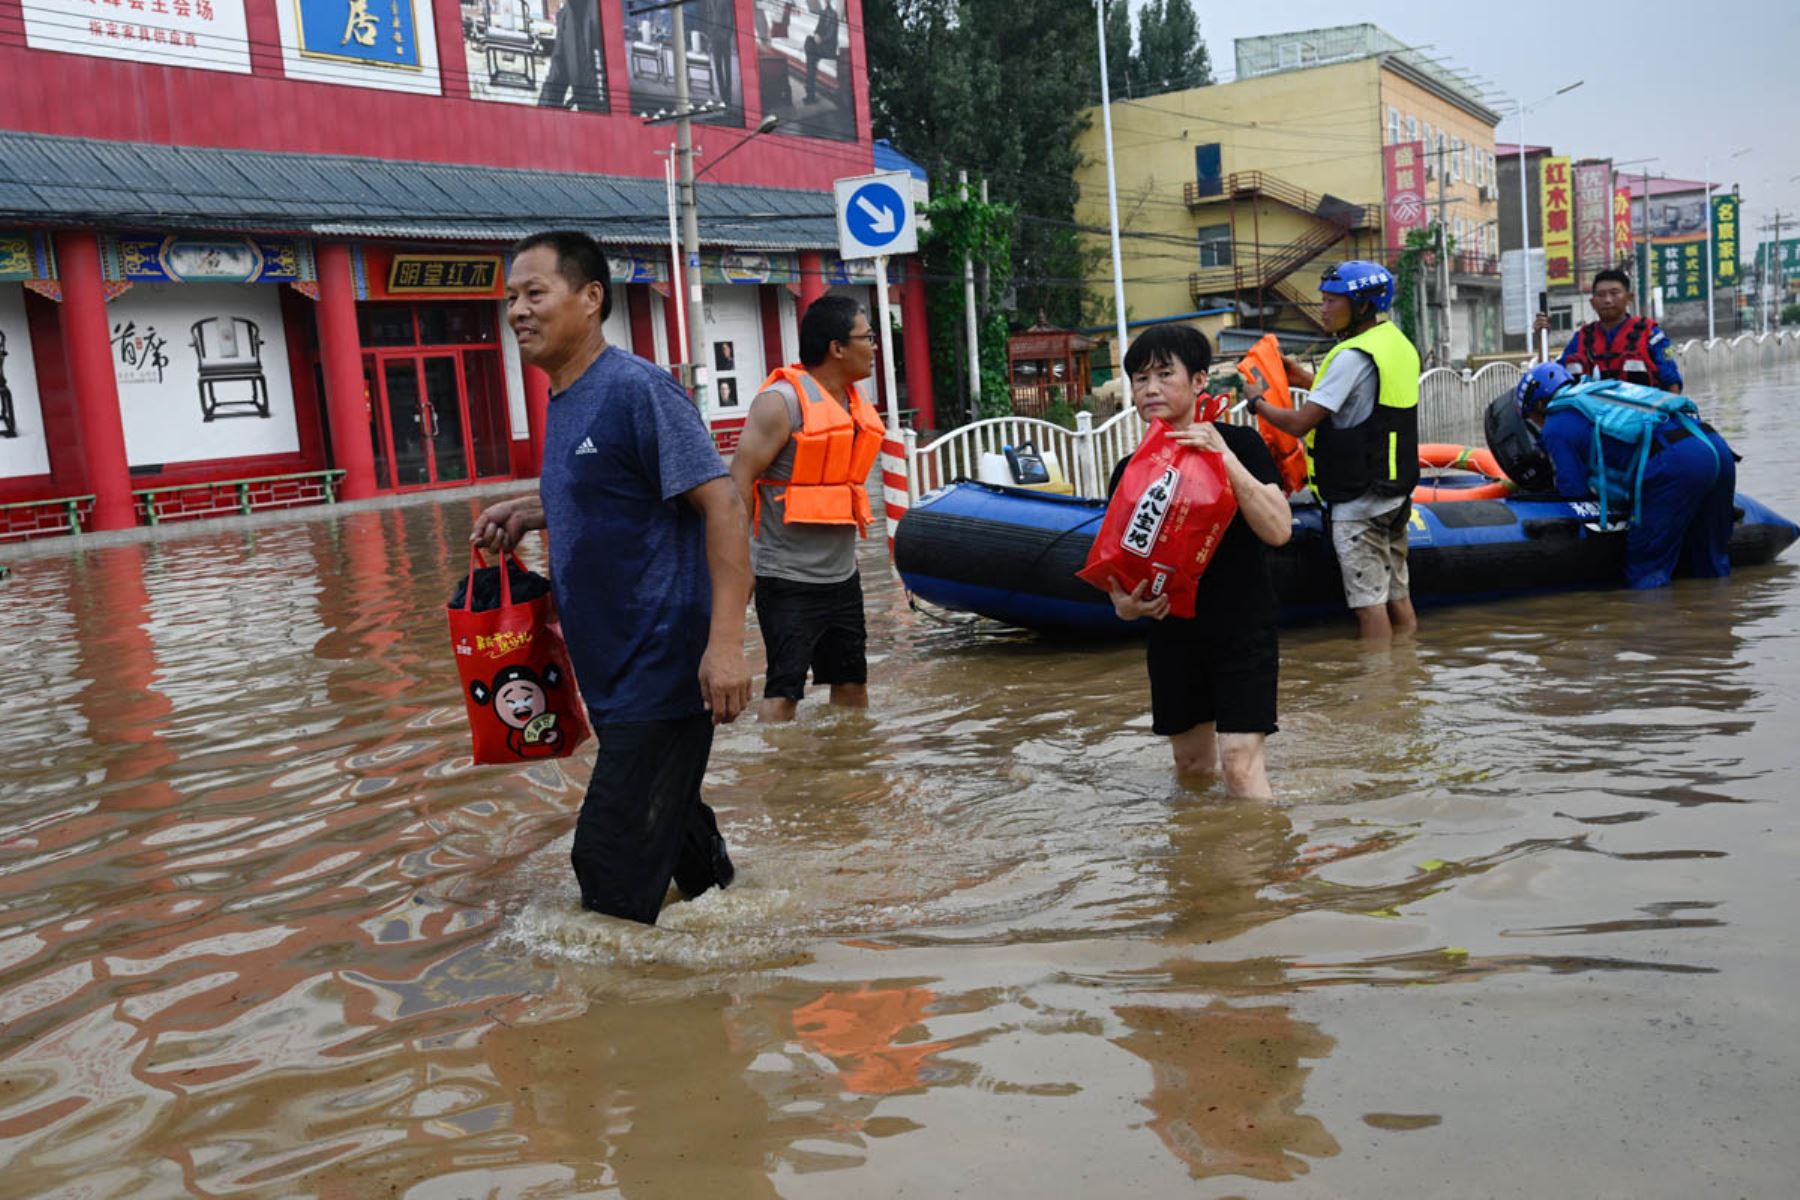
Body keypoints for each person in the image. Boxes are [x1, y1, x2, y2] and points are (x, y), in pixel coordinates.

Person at [470, 231, 752, 925]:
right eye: (511, 298)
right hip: (612, 670)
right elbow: (616, 492)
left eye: (535, 293)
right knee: (677, 840)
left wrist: (726, 646)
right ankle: (745, 941)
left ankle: (631, 1020)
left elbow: (723, 503)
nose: (517, 312)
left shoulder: (637, 389)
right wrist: (531, 512)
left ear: (591, 298)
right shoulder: (565, 399)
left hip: (663, 667)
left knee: (606, 869)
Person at [1105, 324, 1292, 797]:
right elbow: (1118, 586)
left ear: (1199, 381)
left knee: (1239, 766)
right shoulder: (1129, 472)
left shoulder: (1243, 446)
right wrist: (1129, 607)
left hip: (1242, 629)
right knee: (1191, 766)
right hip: (1172, 636)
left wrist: (1222, 456)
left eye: (1165, 375)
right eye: (1140, 378)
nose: (1150, 389)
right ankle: (1198, 865)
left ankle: (1262, 866)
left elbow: (1279, 529)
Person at [1244, 260, 1422, 640]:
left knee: (1368, 605)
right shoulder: (1395, 343)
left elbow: (1298, 424)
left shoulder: (1349, 355)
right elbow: (1363, 398)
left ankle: (1381, 688)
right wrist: (1303, 378)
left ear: (1360, 306)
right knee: (1397, 595)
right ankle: (1411, 669)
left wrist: (1256, 402)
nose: (1322, 309)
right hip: (1395, 491)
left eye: (1330, 301)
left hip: (1359, 501)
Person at [728, 295, 883, 723]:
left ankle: (847, 771)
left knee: (852, 685)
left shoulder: (854, 402)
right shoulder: (781, 403)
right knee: (783, 693)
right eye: (867, 337)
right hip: (786, 578)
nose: (874, 346)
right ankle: (781, 778)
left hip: (841, 576)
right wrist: (739, 568)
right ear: (837, 347)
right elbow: (737, 482)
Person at [1515, 361, 1735, 589]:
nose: (1537, 426)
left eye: (1532, 417)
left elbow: (1574, 491)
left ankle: (1652, 620)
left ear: (1541, 403)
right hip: (1714, 445)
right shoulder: (1600, 392)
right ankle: (1718, 618)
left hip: (1675, 462)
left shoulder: (1555, 425)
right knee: (1711, 562)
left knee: (1647, 569)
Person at [1532, 268, 1683, 392]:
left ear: (1628, 298)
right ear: (1592, 302)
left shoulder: (1651, 334)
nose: (1607, 300)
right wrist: (1541, 338)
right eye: (1601, 295)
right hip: (1591, 418)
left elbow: (1672, 383)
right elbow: (1551, 377)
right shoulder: (1581, 339)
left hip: (1642, 418)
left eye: (1614, 293)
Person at [803, 0, 838, 102]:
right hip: (820, 44)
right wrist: (816, 35)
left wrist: (820, 39)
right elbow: (818, 28)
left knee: (811, 61)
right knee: (809, 40)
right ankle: (810, 93)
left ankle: (810, 94)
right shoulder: (822, 12)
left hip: (828, 47)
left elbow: (831, 34)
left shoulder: (833, 14)